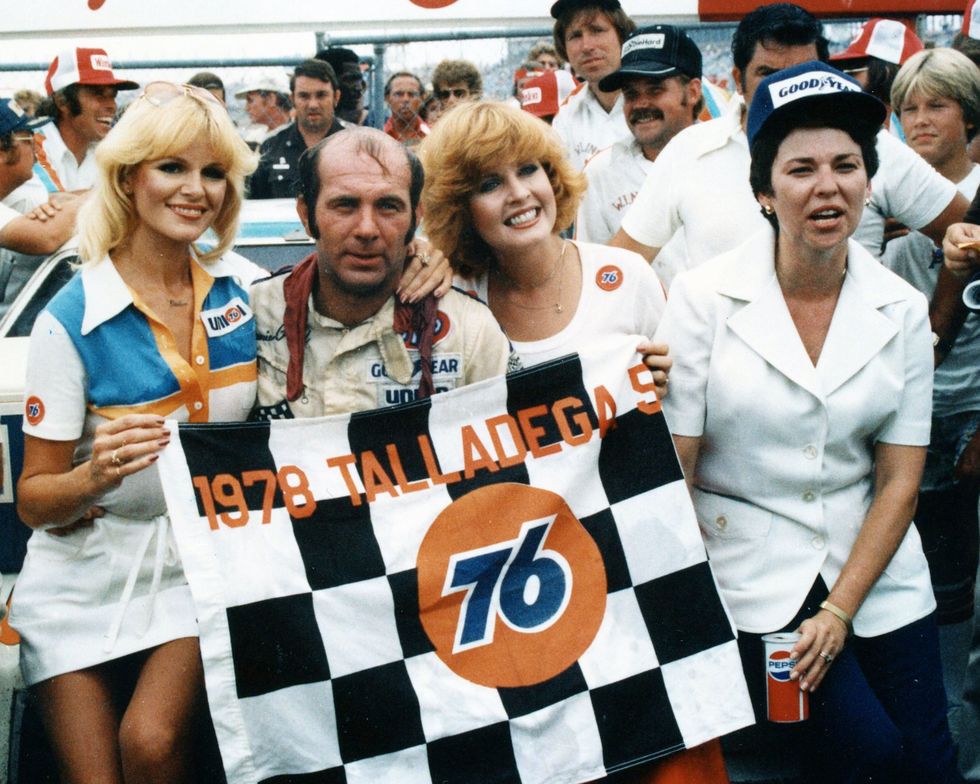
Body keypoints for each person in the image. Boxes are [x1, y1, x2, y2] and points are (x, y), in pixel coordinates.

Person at [656, 61, 961, 783]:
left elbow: (898, 484)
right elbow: (680, 467)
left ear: (869, 180)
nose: (827, 187)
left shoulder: (902, 309)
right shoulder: (703, 299)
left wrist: (840, 613)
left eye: (846, 165)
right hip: (753, 583)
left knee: (933, 764)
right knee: (870, 755)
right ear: (764, 191)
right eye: (800, 169)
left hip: (877, 576)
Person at [418, 96, 724, 784]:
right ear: (458, 208)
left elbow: (679, 443)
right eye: (489, 183)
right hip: (513, 586)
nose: (520, 193)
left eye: (529, 169)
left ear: (555, 175)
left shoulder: (629, 280)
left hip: (630, 570)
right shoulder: (452, 302)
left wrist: (663, 382)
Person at [11, 81, 260, 784]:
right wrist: (94, 476)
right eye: (173, 167)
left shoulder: (246, 291)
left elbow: (347, 288)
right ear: (129, 178)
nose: (196, 189)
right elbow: (34, 501)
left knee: (148, 743)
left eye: (213, 172)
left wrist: (428, 261)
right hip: (78, 573)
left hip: (197, 565)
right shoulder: (71, 315)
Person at [611, 3, 968, 284]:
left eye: (804, 73)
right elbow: (621, 267)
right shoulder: (689, 150)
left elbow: (967, 232)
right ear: (738, 79)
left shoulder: (871, 144)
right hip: (723, 368)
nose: (786, 90)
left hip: (848, 364)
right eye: (769, 74)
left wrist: (938, 333)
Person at [250, 127, 510, 418]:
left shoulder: (469, 331)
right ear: (306, 216)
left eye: (388, 206)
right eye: (344, 205)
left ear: (415, 218)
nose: (366, 229)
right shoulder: (251, 315)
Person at [886, 47, 980, 749]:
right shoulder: (884, 184)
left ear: (968, 114)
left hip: (973, 401)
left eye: (936, 106)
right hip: (910, 402)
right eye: (909, 107)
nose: (920, 120)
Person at [575, 24, 702, 287]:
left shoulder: (728, 155)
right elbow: (591, 275)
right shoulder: (601, 172)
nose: (641, 104)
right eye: (631, 94)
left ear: (692, 91)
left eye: (655, 89)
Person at [0, 98, 82, 316]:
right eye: (28, 137)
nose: (37, 145)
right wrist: (112, 194)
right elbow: (45, 237)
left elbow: (60, 202)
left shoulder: (18, 194)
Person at [26, 47, 138, 202]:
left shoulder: (112, 146)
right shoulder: (30, 142)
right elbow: (53, 206)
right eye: (98, 94)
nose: (111, 105)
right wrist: (115, 198)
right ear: (62, 101)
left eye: (112, 96)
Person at [550, 0, 635, 170]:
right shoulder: (567, 113)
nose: (586, 46)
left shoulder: (666, 94)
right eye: (575, 36)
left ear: (622, 36)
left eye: (597, 30)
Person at [249, 59, 344, 199]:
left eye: (321, 95)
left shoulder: (355, 144)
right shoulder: (271, 147)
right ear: (292, 99)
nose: (313, 104)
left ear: (336, 97)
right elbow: (255, 205)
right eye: (304, 96)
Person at [829, 18, 923, 140]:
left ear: (886, 71)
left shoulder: (920, 127)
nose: (845, 77)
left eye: (853, 70)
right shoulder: (850, 121)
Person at [234, 73, 291, 148]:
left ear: (271, 99)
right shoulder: (254, 138)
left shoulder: (296, 138)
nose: (246, 108)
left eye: (250, 100)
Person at [315, 47, 368, 126]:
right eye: (349, 80)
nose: (359, 87)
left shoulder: (374, 121)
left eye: (359, 79)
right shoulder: (306, 127)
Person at [383, 72, 429, 147]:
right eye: (398, 94)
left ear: (422, 99)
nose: (405, 99)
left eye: (412, 94)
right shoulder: (380, 135)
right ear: (387, 98)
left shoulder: (433, 134)